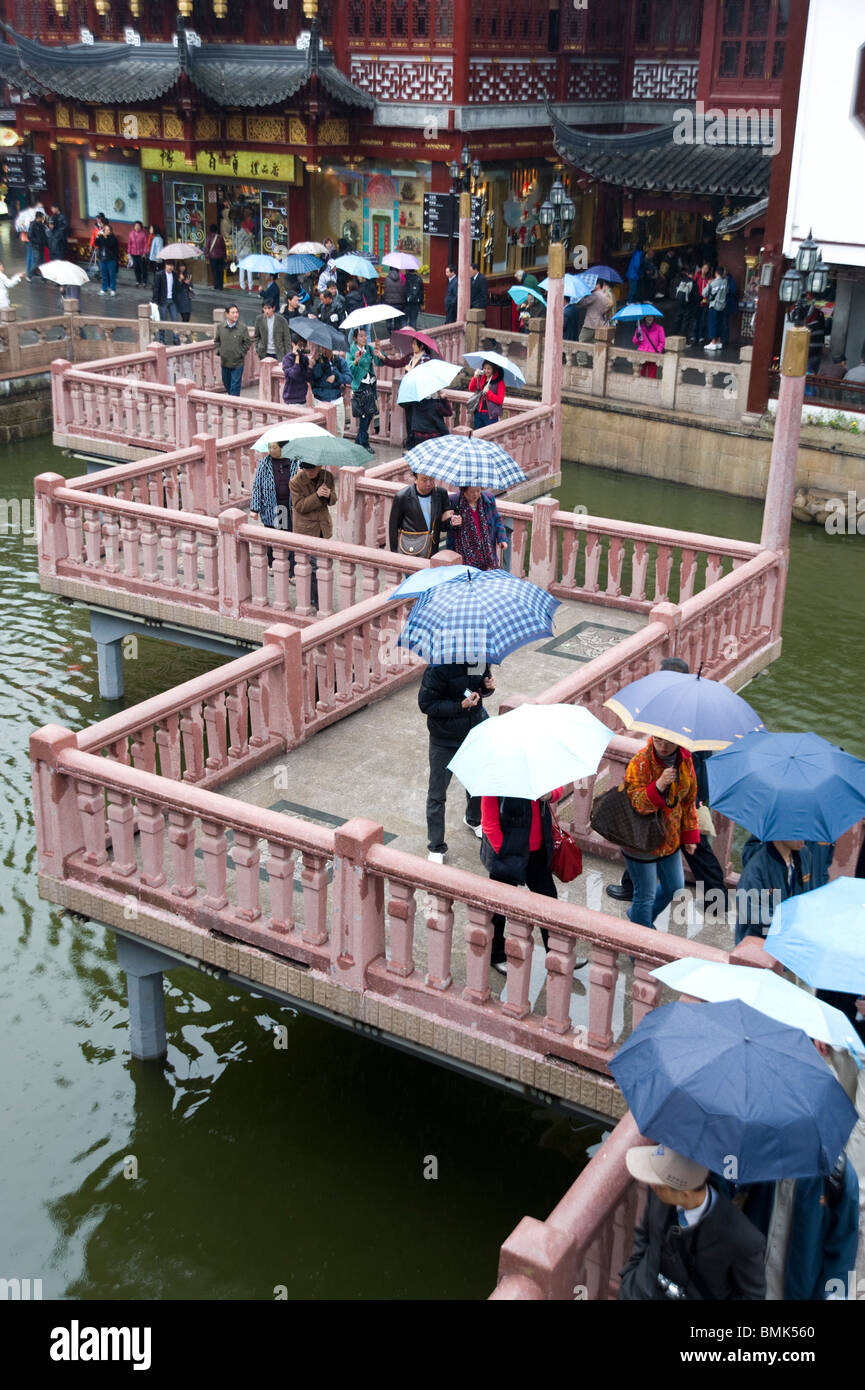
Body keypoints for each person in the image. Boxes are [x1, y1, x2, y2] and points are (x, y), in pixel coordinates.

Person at [619, 1143, 766, 1301]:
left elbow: (752, 1296)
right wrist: (630, 1277)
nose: (651, 1185)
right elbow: (644, 1235)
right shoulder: (659, 1191)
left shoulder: (744, 1239)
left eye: (658, 1186)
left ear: (685, 1194)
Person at [481, 787, 586, 975]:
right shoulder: (498, 781)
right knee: (499, 907)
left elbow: (558, 790)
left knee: (548, 901)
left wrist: (549, 795)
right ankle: (496, 954)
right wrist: (504, 853)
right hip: (509, 855)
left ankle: (555, 953)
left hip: (537, 852)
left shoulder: (537, 770)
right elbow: (489, 823)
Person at [725, 1158, 859, 1301]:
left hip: (802, 1293)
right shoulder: (760, 1156)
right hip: (748, 1288)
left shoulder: (838, 1174)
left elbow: (843, 1253)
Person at [417, 661, 494, 863]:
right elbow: (426, 704)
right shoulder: (437, 668)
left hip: (474, 731)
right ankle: (436, 846)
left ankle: (474, 819)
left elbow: (479, 689)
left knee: (478, 782)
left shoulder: (480, 658)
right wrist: (460, 705)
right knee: (437, 793)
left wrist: (487, 688)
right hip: (444, 739)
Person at [620, 734, 699, 930]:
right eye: (658, 739)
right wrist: (659, 785)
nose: (663, 746)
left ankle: (639, 919)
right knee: (644, 895)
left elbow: (689, 800)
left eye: (669, 741)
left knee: (674, 887)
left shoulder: (685, 760)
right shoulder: (640, 762)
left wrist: (689, 834)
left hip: (669, 838)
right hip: (640, 841)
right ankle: (639, 939)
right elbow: (637, 803)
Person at [734, 837, 814, 945]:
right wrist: (789, 924)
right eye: (796, 833)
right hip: (760, 940)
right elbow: (752, 913)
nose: (803, 838)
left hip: (790, 936)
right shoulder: (756, 868)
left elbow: (810, 894)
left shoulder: (804, 855)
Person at [289, 461, 337, 609]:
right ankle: (314, 599)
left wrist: (329, 495)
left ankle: (318, 598)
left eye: (312, 470)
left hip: (322, 527)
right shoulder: (296, 482)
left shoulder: (327, 477)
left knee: (323, 565)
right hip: (306, 529)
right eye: (306, 470)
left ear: (319, 466)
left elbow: (333, 500)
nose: (309, 473)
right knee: (311, 565)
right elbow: (300, 506)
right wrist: (317, 495)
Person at [348, 326, 402, 452]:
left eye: (365, 335)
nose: (364, 338)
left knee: (370, 413)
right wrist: (356, 361)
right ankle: (364, 442)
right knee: (363, 415)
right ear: (355, 338)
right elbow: (349, 369)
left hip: (370, 385)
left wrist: (379, 350)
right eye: (361, 336)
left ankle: (359, 440)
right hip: (360, 386)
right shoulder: (350, 351)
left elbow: (379, 362)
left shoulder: (369, 349)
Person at [250, 440, 297, 578]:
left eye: (274, 447)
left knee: (288, 536)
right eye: (269, 447)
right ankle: (272, 563)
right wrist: (255, 508)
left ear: (283, 448)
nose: (271, 450)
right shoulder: (265, 463)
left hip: (289, 506)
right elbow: (257, 486)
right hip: (272, 506)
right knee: (273, 535)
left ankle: (290, 569)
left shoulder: (295, 461)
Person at [388, 473, 453, 556]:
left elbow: (445, 527)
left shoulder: (441, 493)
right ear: (415, 479)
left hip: (432, 549)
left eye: (432, 479)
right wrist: (394, 553)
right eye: (424, 480)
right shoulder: (402, 496)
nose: (429, 483)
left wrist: (450, 521)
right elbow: (393, 528)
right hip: (410, 548)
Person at [446, 486, 507, 571]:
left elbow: (497, 519)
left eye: (478, 491)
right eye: (472, 492)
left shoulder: (489, 499)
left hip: (486, 552)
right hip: (463, 555)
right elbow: (445, 524)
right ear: (464, 490)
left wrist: (501, 538)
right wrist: (453, 522)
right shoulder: (454, 501)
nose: (476, 494)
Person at [309, 346, 350, 437]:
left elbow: (349, 378)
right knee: (320, 433)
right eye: (322, 348)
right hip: (320, 401)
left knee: (339, 431)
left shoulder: (339, 361)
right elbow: (312, 378)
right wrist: (313, 365)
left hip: (336, 400)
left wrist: (336, 376)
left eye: (326, 348)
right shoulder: (317, 361)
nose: (324, 351)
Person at [214, 304, 249, 396]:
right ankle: (233, 402)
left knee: (235, 386)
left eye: (237, 312)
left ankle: (234, 407)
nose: (235, 315)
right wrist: (219, 352)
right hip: (225, 362)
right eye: (233, 312)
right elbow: (217, 341)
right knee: (227, 384)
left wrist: (240, 353)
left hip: (238, 363)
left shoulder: (242, 328)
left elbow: (247, 343)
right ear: (227, 314)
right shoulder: (220, 327)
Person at [468, 359, 505, 430]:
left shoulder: (499, 382)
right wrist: (475, 377)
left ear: (493, 369)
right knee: (478, 435)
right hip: (478, 412)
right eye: (484, 368)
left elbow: (500, 400)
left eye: (489, 369)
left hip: (490, 415)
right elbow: (471, 388)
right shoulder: (481, 378)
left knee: (489, 436)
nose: (486, 371)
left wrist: (488, 392)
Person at [151, 258, 180, 343]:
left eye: (172, 265)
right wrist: (155, 301)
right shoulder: (159, 274)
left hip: (172, 300)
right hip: (163, 300)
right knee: (162, 320)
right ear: (165, 265)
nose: (170, 267)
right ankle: (162, 338)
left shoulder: (174, 275)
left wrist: (180, 280)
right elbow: (156, 288)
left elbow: (177, 289)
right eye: (169, 265)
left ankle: (175, 338)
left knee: (175, 319)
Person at [282, 336, 313, 406]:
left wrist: (310, 366)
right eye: (300, 345)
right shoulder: (287, 359)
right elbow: (294, 375)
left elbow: (308, 378)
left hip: (302, 397)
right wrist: (297, 357)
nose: (302, 348)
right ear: (293, 344)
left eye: (304, 346)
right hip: (291, 399)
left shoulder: (305, 358)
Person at [632, 313, 665, 379]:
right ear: (644, 317)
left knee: (652, 376)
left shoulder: (659, 328)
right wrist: (637, 336)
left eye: (651, 316)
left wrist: (658, 351)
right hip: (641, 354)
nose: (650, 318)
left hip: (653, 354)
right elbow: (635, 342)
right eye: (648, 316)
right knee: (640, 374)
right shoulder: (640, 328)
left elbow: (662, 342)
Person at [673, 267, 699, 342]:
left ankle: (674, 335)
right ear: (693, 274)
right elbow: (695, 296)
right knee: (685, 321)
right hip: (688, 304)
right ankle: (682, 338)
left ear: (687, 273)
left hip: (679, 303)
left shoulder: (681, 280)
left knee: (677, 318)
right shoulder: (693, 282)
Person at [704, 267, 728, 350]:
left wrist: (708, 283)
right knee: (719, 324)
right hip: (722, 305)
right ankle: (718, 341)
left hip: (714, 305)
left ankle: (713, 342)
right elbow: (727, 291)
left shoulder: (713, 283)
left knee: (712, 323)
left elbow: (704, 293)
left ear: (716, 273)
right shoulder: (725, 282)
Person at [95, 219, 118, 296]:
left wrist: (104, 237)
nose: (106, 231)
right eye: (105, 230)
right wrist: (98, 236)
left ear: (111, 231)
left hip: (111, 259)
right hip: (102, 258)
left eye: (108, 230)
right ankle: (104, 289)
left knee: (112, 275)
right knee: (104, 275)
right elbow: (97, 243)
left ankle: (112, 290)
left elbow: (109, 245)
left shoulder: (113, 238)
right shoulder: (102, 237)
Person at [205, 224, 227, 292]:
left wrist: (206, 256)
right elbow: (224, 248)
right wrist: (225, 256)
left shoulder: (209, 237)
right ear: (216, 230)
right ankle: (221, 285)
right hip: (221, 257)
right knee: (220, 271)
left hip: (213, 257)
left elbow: (207, 248)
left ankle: (216, 285)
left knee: (214, 271)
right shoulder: (220, 237)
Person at [26, 212, 49, 280]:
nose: (42, 219)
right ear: (38, 217)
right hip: (36, 246)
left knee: (42, 261)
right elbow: (30, 236)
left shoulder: (41, 225)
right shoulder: (33, 225)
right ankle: (29, 274)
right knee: (37, 262)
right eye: (42, 217)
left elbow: (44, 235)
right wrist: (37, 242)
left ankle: (43, 276)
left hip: (41, 245)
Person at [126, 221, 148, 286]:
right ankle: (138, 280)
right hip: (134, 253)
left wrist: (144, 252)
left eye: (138, 226)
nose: (137, 227)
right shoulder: (131, 233)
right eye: (136, 226)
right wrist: (129, 252)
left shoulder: (143, 234)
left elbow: (145, 244)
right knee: (136, 268)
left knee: (143, 268)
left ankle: (144, 281)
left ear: (141, 227)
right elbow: (129, 243)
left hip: (141, 254)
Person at [236, 222, 254, 291]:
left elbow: (239, 245)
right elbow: (252, 244)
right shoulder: (250, 234)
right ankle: (250, 285)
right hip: (249, 253)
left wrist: (237, 254)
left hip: (241, 253)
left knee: (242, 269)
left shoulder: (239, 234)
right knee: (249, 269)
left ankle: (242, 285)